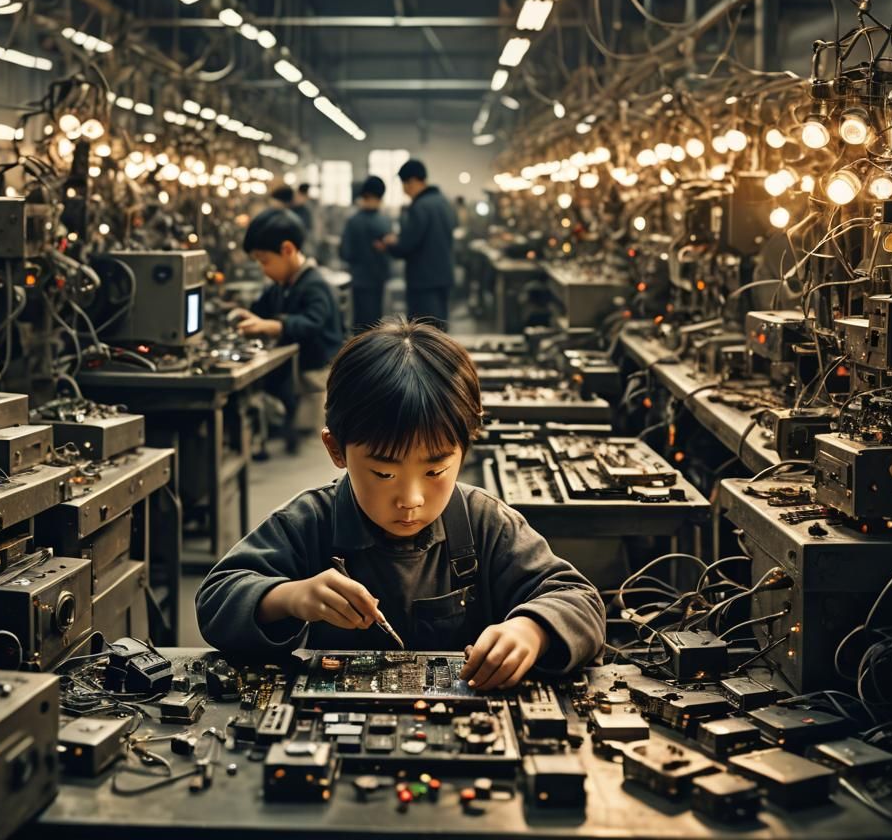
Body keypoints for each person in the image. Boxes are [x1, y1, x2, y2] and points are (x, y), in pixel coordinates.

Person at [196, 319, 604, 689]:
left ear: (465, 448)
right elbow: (216, 600)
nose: (411, 500)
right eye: (383, 474)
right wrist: (289, 597)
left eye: (435, 471)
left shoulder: (485, 524)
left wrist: (532, 630)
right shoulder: (308, 523)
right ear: (336, 449)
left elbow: (579, 600)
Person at [230, 208, 343, 452]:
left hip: (314, 374)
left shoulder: (314, 285)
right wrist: (251, 316)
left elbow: (313, 322)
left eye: (264, 261)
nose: (263, 269)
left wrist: (276, 326)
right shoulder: (282, 285)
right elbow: (264, 308)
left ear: (287, 250)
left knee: (309, 431)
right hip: (295, 371)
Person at [379, 158, 456, 330]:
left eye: (404, 185)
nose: (404, 190)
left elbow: (406, 245)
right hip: (443, 277)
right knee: (438, 333)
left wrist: (390, 244)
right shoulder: (444, 203)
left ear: (412, 181)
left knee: (422, 334)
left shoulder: (420, 206)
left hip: (423, 281)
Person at [340, 175, 392, 332]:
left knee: (360, 324)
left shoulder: (353, 221)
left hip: (359, 279)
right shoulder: (384, 221)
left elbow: (345, 252)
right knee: (376, 324)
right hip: (379, 279)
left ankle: (360, 354)